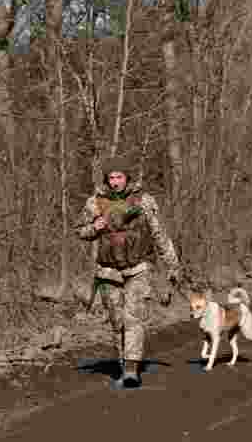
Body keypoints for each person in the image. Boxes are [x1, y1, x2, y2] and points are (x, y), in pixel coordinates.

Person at [77, 156, 182, 388]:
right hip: (108, 271)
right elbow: (80, 231)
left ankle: (132, 369)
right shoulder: (94, 203)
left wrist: (172, 265)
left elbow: (159, 234)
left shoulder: (144, 201)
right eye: (111, 177)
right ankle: (123, 363)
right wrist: (94, 227)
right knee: (117, 321)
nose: (115, 182)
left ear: (127, 178)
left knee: (133, 316)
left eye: (119, 177)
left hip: (138, 268)